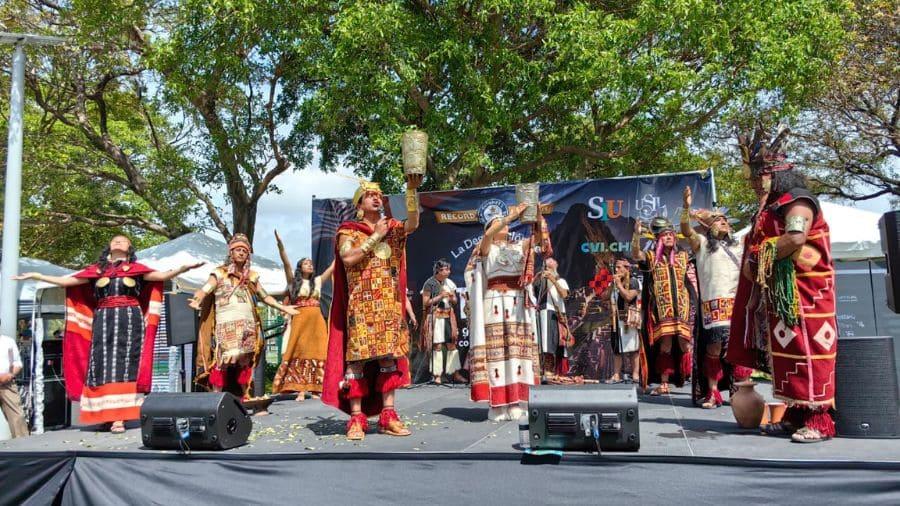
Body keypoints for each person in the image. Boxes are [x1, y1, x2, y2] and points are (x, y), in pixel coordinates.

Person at [14, 235, 202, 433]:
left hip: (129, 321)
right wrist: (36, 276)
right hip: (103, 319)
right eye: (115, 240)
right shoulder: (96, 270)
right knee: (101, 366)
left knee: (123, 365)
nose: (118, 241)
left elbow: (162, 277)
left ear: (130, 247)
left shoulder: (138, 270)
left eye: (123, 240)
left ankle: (119, 418)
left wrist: (183, 269)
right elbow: (66, 281)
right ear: (109, 246)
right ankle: (104, 415)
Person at [728, 127, 838, 443]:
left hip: (808, 295)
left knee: (808, 352)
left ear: (778, 174)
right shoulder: (773, 206)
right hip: (783, 294)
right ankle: (795, 414)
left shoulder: (798, 202)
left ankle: (819, 420)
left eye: (761, 174)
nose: (754, 180)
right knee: (786, 355)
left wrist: (760, 255)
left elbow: (796, 238)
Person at [321, 173, 422, 441]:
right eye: (370, 195)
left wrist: (411, 190)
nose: (377, 198)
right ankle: (356, 419)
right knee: (357, 361)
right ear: (360, 203)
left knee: (388, 359)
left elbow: (413, 223)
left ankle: (389, 416)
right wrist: (375, 236)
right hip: (361, 305)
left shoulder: (392, 227)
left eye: (379, 195)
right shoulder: (349, 230)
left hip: (388, 304)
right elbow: (347, 257)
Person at [466, 203, 550, 421]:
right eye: (496, 223)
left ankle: (518, 401)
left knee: (517, 353)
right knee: (498, 354)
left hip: (517, 303)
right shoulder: (487, 248)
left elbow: (539, 239)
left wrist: (538, 215)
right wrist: (509, 217)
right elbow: (487, 235)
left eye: (503, 223)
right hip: (495, 302)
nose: (503, 226)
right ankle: (498, 404)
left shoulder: (518, 246)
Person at [191, 234, 299, 400]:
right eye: (238, 250)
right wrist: (198, 298)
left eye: (244, 251)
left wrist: (282, 307)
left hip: (248, 324)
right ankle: (215, 396)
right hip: (226, 323)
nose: (241, 253)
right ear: (231, 253)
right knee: (225, 359)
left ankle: (244, 394)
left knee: (244, 360)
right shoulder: (219, 273)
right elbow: (205, 289)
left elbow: (265, 297)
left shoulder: (252, 276)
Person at [681, 187, 749, 408]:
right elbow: (685, 230)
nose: (723, 223)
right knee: (714, 350)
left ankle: (740, 392)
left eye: (725, 220)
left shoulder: (738, 245)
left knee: (738, 350)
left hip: (737, 303)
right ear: (709, 226)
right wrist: (686, 207)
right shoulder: (700, 243)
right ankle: (712, 393)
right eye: (718, 220)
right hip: (713, 306)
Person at [632, 216, 693, 395]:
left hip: (682, 308)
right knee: (665, 345)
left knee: (685, 345)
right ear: (658, 239)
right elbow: (636, 254)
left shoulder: (683, 256)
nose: (668, 237)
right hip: (662, 309)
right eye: (664, 235)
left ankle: (692, 379)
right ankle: (664, 383)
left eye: (671, 235)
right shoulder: (651, 257)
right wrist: (636, 235)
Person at [272, 230, 335, 401]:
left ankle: (316, 389)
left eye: (311, 263)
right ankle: (300, 389)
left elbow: (332, 267)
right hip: (300, 318)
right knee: (300, 351)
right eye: (306, 263)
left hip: (316, 318)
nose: (310, 264)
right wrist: (280, 245)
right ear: (300, 267)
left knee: (319, 350)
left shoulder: (318, 281)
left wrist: (341, 249)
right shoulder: (293, 282)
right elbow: (286, 263)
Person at [420, 259, 465, 384]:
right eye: (446, 269)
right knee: (437, 346)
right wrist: (440, 296)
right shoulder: (429, 283)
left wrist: (452, 297)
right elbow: (425, 302)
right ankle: (437, 375)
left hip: (448, 316)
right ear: (439, 270)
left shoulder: (449, 282)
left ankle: (455, 373)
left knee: (452, 344)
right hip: (435, 316)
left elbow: (455, 301)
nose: (449, 271)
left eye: (449, 269)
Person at [534, 258, 571, 379]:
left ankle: (553, 370)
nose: (547, 270)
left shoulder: (561, 281)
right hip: (542, 313)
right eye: (546, 268)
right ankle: (543, 369)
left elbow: (565, 295)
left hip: (555, 313)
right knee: (543, 343)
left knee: (553, 342)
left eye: (550, 268)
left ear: (555, 268)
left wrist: (553, 280)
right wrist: (536, 278)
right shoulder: (539, 283)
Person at [609, 258, 642, 384]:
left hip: (629, 317)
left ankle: (635, 374)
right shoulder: (614, 283)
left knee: (633, 347)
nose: (616, 270)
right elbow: (605, 296)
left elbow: (629, 297)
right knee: (617, 348)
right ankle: (616, 375)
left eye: (619, 267)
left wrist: (618, 285)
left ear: (627, 268)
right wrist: (613, 284)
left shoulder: (634, 282)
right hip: (615, 318)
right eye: (615, 267)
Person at [0, 331, 28, 438]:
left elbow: (17, 363)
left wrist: (10, 374)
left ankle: (22, 449)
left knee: (17, 417)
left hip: (7, 384)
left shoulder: (8, 341)